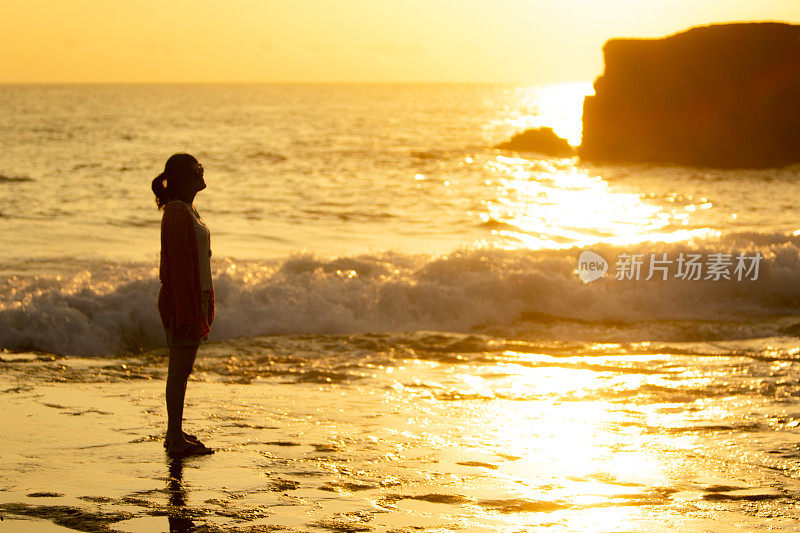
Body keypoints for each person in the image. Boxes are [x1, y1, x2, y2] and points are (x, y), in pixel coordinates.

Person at [151, 153, 215, 458]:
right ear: (182, 179)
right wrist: (188, 309)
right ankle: (174, 438)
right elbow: (177, 267)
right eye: (196, 170)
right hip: (183, 299)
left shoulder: (187, 209)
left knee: (183, 369)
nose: (201, 173)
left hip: (193, 297)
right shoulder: (177, 212)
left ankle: (174, 432)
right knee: (178, 371)